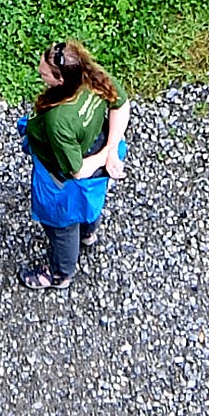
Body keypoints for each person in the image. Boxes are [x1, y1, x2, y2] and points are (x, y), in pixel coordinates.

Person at [19, 40, 128, 290]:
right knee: (91, 201)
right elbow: (121, 105)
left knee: (62, 225)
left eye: (44, 74)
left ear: (61, 80)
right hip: (96, 154)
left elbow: (77, 171)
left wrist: (105, 154)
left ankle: (60, 274)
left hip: (64, 179)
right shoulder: (91, 74)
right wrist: (111, 149)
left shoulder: (58, 120)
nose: (40, 75)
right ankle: (88, 234)